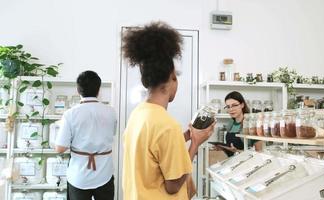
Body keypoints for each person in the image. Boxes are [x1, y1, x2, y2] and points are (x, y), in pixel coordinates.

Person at [121, 22, 215, 200]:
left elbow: (151, 150)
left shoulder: (138, 114)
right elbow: (173, 185)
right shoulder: (167, 125)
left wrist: (187, 136)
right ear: (172, 78)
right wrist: (195, 143)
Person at [55, 70, 117, 200]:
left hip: (79, 176)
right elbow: (112, 134)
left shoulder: (70, 114)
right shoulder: (111, 112)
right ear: (99, 90)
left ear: (78, 90)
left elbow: (60, 149)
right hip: (104, 173)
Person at [213, 91, 262, 156]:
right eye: (228, 106)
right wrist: (223, 148)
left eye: (234, 105)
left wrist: (237, 151)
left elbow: (259, 153)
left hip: (247, 164)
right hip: (233, 163)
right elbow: (231, 148)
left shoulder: (252, 125)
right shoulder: (231, 123)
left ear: (242, 105)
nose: (231, 109)